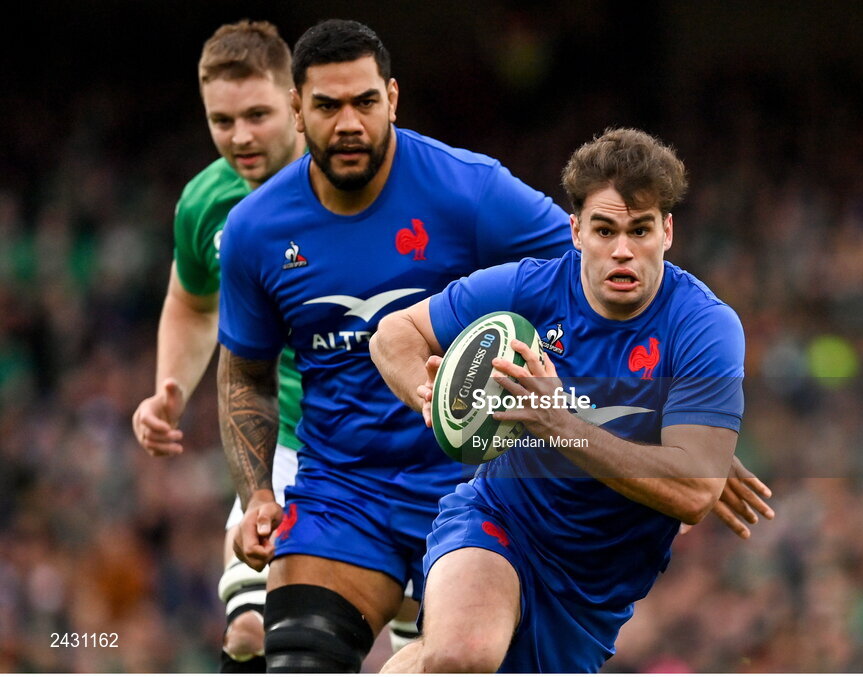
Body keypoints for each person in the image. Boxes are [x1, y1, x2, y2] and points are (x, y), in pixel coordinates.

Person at [215, 19, 576, 673]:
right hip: (343, 490)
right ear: (296, 108)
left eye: (364, 102)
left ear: (392, 98)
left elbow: (591, 277)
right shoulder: (256, 230)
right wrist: (259, 494)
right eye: (327, 106)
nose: (348, 123)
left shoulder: (469, 190)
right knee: (295, 657)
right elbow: (245, 374)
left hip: (476, 488)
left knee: (463, 662)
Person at [371, 127, 770, 672]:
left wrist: (561, 423)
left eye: (640, 229)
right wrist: (434, 394)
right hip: (502, 520)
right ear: (576, 230)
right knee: (462, 654)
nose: (623, 250)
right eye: (604, 230)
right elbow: (394, 334)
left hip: (593, 593)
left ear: (667, 231)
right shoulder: (530, 289)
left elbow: (695, 491)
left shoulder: (704, 326)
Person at [129, 20, 306, 672]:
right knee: (249, 630)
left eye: (257, 115)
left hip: (392, 439)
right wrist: (169, 387)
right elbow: (192, 300)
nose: (239, 137)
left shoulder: (360, 178)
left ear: (295, 101)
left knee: (427, 640)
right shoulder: (207, 202)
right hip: (283, 442)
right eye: (221, 120)